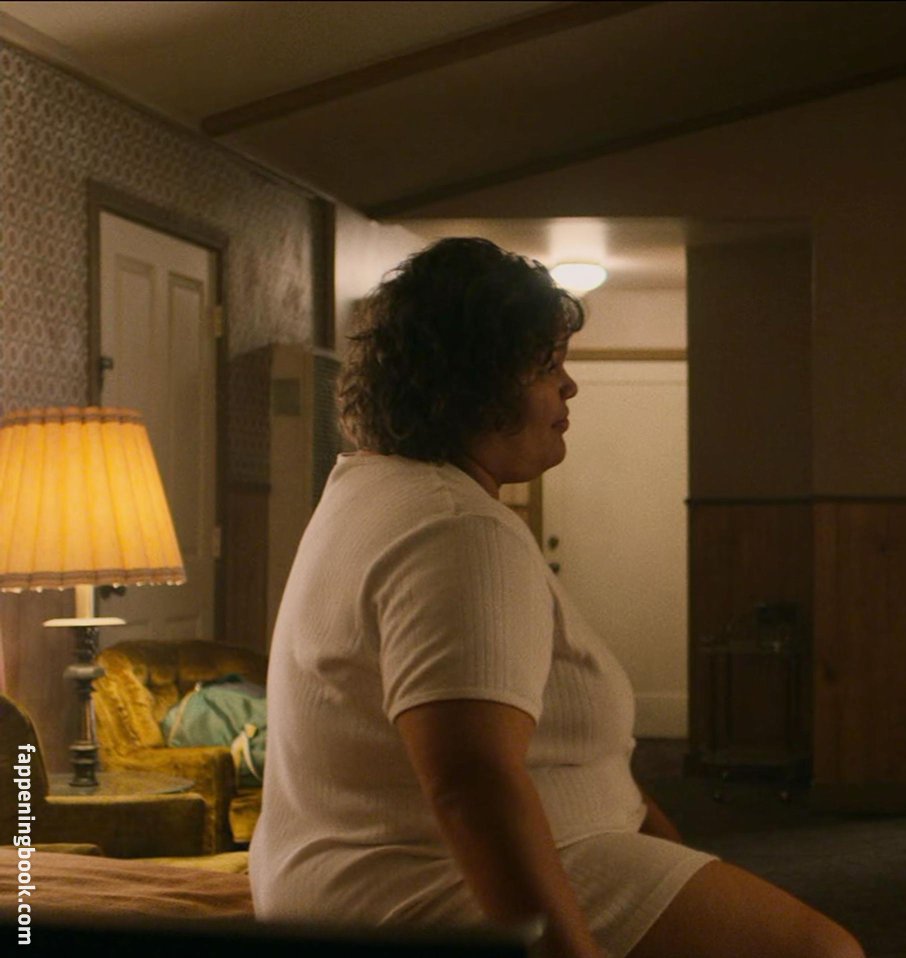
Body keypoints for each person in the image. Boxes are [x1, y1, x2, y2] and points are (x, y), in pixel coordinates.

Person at [250, 238, 863, 958]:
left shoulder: (376, 490)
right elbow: (470, 781)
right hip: (416, 886)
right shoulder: (455, 528)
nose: (569, 387)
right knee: (824, 954)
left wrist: (681, 866)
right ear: (471, 383)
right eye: (546, 367)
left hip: (372, 873)